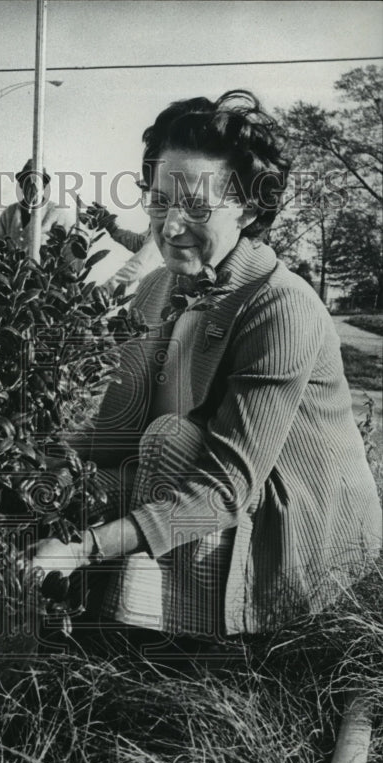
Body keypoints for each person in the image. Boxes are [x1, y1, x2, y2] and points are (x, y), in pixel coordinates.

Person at [32, 90, 381, 646]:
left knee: (170, 440)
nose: (170, 227)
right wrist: (33, 459)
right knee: (75, 479)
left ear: (247, 207)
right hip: (192, 486)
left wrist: (87, 547)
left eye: (196, 206)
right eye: (159, 201)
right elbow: (118, 432)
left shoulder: (281, 305)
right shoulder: (155, 290)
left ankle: (185, 653)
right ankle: (113, 621)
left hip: (291, 528)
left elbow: (222, 490)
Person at [0, 159, 77, 250]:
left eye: (37, 182)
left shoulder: (57, 213)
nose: (33, 187)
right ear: (21, 185)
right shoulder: (9, 213)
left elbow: (69, 250)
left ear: (43, 186)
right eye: (27, 181)